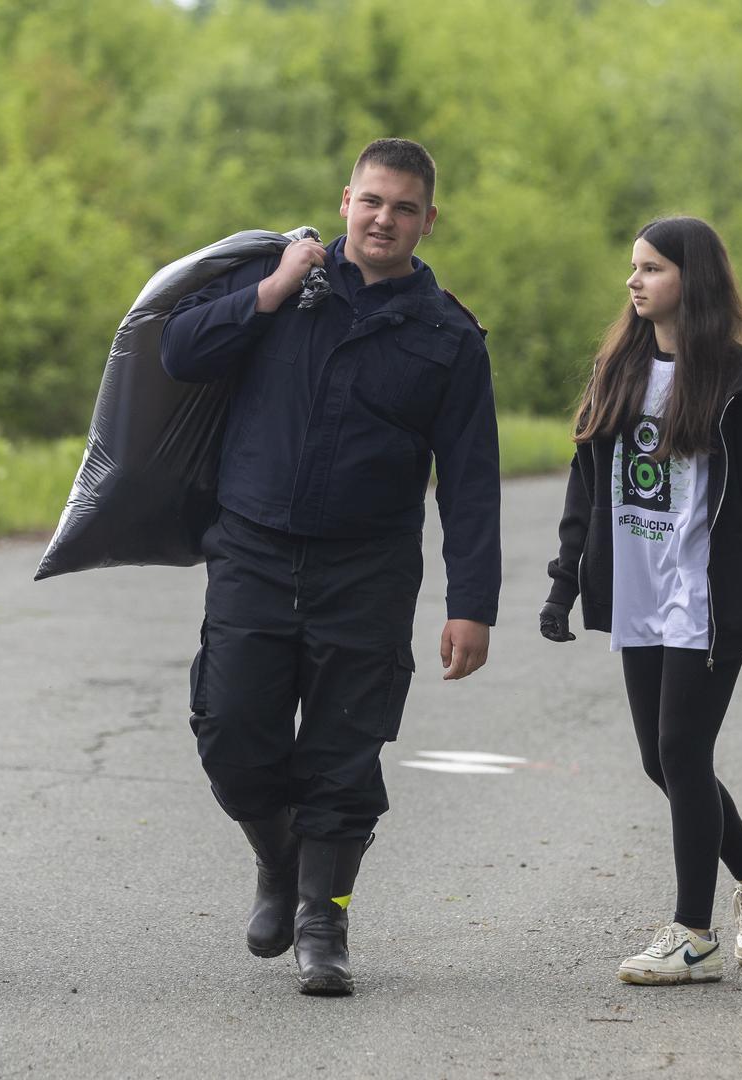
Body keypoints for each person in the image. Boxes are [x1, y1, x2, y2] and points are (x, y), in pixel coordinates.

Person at [159, 138, 501, 996]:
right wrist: (268, 294)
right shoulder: (282, 288)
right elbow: (177, 353)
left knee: (345, 760)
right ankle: (280, 862)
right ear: (345, 199)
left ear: (428, 221)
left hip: (369, 569)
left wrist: (473, 602)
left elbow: (469, 480)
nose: (384, 219)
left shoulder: (448, 336)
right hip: (254, 550)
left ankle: (324, 918)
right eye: (371, 201)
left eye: (404, 208)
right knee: (232, 736)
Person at [539, 215, 742, 986]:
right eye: (632, 268)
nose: (633, 281)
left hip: (707, 593)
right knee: (659, 758)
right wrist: (564, 576)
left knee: (680, 751)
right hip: (639, 587)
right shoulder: (619, 371)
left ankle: (691, 932)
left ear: (691, 281)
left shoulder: (739, 385)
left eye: (651, 269)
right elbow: (585, 486)